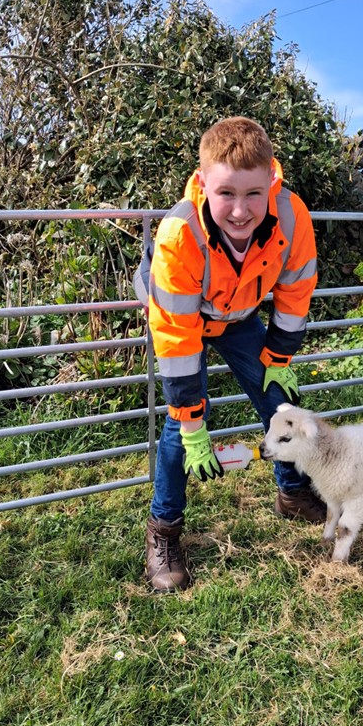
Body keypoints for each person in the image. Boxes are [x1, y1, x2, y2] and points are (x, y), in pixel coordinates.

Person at [134, 116, 326, 592]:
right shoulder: (179, 235)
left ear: (271, 182)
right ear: (203, 184)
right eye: (226, 194)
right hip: (183, 314)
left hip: (238, 314)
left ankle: (293, 493)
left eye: (253, 194)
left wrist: (279, 356)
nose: (240, 211)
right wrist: (191, 419)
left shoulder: (292, 216)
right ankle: (164, 531)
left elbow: (296, 290)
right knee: (182, 426)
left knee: (281, 405)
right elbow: (176, 336)